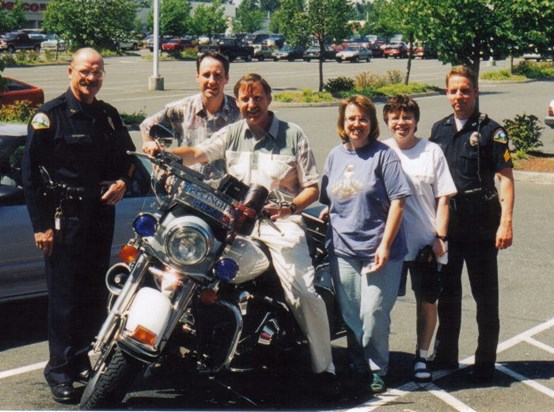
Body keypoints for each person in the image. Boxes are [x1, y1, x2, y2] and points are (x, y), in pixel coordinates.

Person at [143, 73, 338, 395]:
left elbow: (313, 188)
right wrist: (162, 153)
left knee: (302, 292)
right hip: (234, 223)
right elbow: (199, 153)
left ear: (269, 98)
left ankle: (324, 368)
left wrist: (290, 209)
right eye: (245, 99)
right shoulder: (233, 132)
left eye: (257, 97)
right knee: (188, 267)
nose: (251, 104)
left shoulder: (293, 134)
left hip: (279, 223)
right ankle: (177, 349)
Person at [22, 48, 135, 404]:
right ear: (70, 72)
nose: (91, 78)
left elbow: (128, 161)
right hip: (64, 217)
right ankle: (59, 370)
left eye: (98, 72)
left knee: (93, 294)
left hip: (99, 217)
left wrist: (122, 182)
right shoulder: (49, 117)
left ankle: (81, 361)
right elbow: (30, 176)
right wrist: (41, 225)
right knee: (65, 298)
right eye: (85, 72)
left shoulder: (109, 116)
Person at [318, 95, 411, 395]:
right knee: (351, 314)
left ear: (371, 123)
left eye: (362, 119)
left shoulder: (385, 156)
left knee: (373, 314)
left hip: (380, 250)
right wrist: (326, 210)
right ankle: (359, 364)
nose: (356, 124)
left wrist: (385, 245)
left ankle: (377, 368)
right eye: (350, 119)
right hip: (342, 249)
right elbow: (329, 195)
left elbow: (399, 201)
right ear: (342, 123)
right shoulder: (335, 155)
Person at [429, 65, 515, 383]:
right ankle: (446, 355)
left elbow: (505, 180)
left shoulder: (492, 131)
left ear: (475, 92)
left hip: (481, 225)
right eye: (453, 90)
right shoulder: (438, 131)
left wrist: (505, 222)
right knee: (448, 294)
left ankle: (485, 362)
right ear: (446, 93)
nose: (459, 96)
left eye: (465, 90)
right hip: (448, 226)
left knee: (485, 297)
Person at [382, 95, 457, 383]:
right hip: (390, 245)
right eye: (395, 117)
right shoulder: (382, 151)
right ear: (387, 121)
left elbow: (443, 200)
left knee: (427, 301)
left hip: (425, 242)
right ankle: (379, 358)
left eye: (407, 117)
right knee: (382, 303)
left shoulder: (432, 151)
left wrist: (440, 236)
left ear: (416, 120)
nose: (401, 123)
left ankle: (421, 356)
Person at [141, 51, 240, 186]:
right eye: (206, 75)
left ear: (226, 78)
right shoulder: (181, 109)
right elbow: (146, 127)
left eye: (217, 75)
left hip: (225, 195)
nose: (212, 81)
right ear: (197, 77)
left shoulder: (239, 112)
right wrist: (160, 168)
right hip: (187, 190)